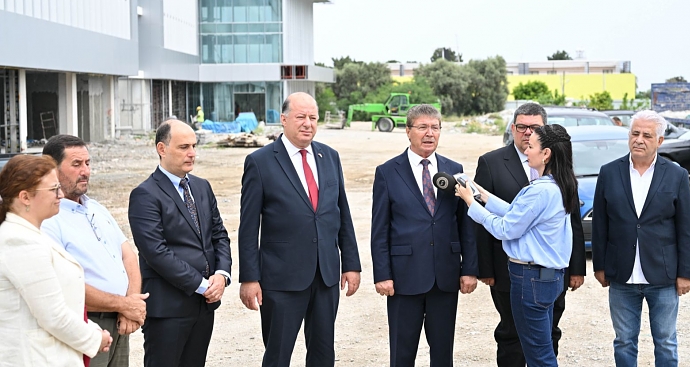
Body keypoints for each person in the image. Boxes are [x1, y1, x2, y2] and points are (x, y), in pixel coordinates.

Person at [239, 92, 362, 367]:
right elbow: (248, 228)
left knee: (322, 354)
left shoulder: (330, 157)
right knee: (278, 355)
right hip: (281, 279)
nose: (308, 123)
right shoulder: (260, 162)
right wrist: (249, 278)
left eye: (313, 117)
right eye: (300, 117)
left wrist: (351, 264)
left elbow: (341, 214)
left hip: (326, 276)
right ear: (283, 120)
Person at [473, 103, 585, 366]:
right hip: (546, 276)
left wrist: (471, 204)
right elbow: (516, 212)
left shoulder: (540, 188)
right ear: (513, 128)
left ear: (545, 153)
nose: (527, 145)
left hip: (531, 278)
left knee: (539, 354)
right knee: (530, 342)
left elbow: (507, 227)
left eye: (533, 139)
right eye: (522, 128)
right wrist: (483, 197)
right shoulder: (560, 181)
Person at [370, 104, 478, 366]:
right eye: (422, 127)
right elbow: (380, 229)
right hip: (404, 278)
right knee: (402, 352)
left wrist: (469, 269)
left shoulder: (454, 169)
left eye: (435, 127)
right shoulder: (387, 171)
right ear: (408, 131)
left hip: (445, 276)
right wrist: (382, 274)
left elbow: (466, 224)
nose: (429, 133)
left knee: (442, 354)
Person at [592, 110, 690, 367]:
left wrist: (686, 273)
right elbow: (600, 225)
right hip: (621, 276)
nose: (639, 139)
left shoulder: (676, 175)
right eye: (635, 133)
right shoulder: (609, 172)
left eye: (647, 135)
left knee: (666, 341)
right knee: (624, 341)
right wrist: (600, 265)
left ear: (659, 141)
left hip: (663, 276)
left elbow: (686, 229)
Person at [128, 119, 232, 367]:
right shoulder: (145, 194)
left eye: (194, 146)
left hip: (203, 307)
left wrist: (221, 273)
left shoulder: (201, 187)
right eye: (184, 147)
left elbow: (219, 235)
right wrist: (201, 284)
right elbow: (156, 252)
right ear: (161, 149)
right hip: (169, 310)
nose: (192, 153)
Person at [41, 135, 147, 367]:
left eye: (88, 163)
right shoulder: (49, 220)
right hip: (87, 323)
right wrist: (123, 305)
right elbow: (62, 284)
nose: (86, 171)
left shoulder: (96, 208)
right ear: (52, 169)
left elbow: (128, 255)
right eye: (76, 164)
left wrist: (130, 303)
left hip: (120, 322)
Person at [0, 155, 113, 366]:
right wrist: (95, 338)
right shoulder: (19, 242)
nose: (61, 194)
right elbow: (53, 316)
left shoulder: (31, 235)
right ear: (25, 197)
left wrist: (92, 329)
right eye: (53, 189)